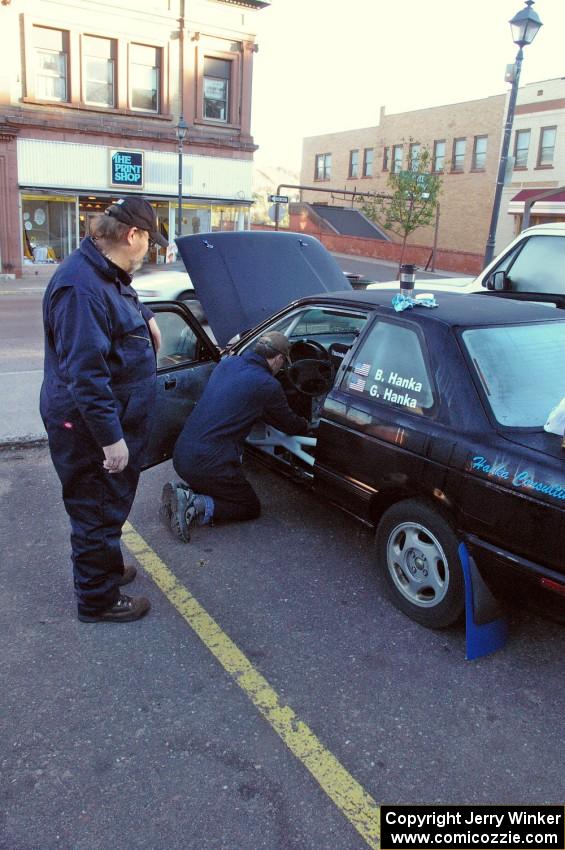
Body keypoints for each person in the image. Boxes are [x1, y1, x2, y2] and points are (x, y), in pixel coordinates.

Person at [40, 197, 167, 623]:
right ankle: (97, 600)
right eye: (149, 242)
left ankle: (106, 568)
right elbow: (87, 376)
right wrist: (111, 439)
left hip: (111, 415)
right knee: (94, 508)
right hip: (88, 427)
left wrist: (146, 316)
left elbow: (122, 295)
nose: (149, 251)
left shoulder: (104, 271)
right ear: (132, 235)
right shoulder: (81, 288)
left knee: (108, 503)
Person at [161, 331, 308, 542]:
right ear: (277, 359)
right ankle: (194, 503)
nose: (281, 369)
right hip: (207, 464)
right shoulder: (267, 385)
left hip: (182, 455)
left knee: (222, 486)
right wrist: (312, 425)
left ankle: (184, 493)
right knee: (248, 506)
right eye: (283, 363)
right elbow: (290, 425)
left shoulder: (228, 363)